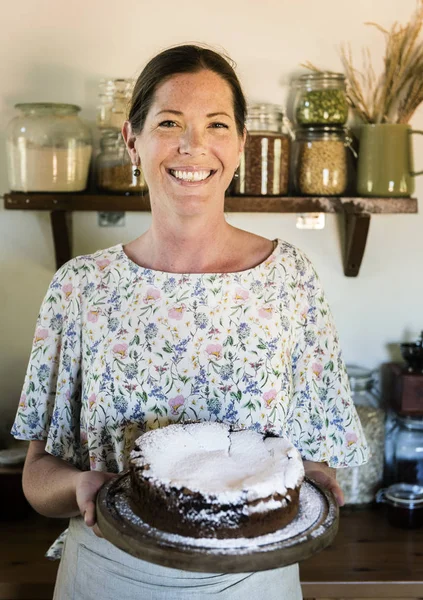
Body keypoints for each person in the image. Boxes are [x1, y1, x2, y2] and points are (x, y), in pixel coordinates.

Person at [11, 44, 369, 600]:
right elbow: (37, 477)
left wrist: (314, 479)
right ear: (133, 139)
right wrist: (81, 484)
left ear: (241, 144)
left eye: (217, 125)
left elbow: (315, 457)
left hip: (256, 580)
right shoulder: (80, 288)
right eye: (170, 122)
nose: (193, 145)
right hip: (108, 575)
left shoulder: (290, 279)